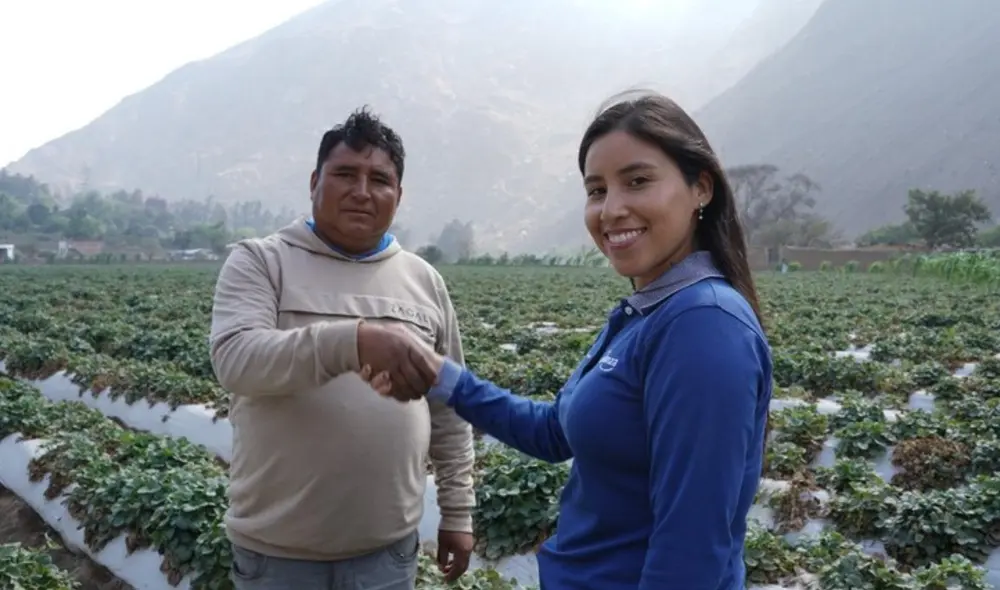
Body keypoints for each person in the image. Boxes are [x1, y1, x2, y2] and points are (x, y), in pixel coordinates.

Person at [374, 91, 772, 589]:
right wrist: (442, 375)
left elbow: (691, 551)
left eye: (638, 181)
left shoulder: (705, 327)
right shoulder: (645, 314)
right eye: (597, 190)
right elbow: (555, 432)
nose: (612, 209)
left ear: (701, 189)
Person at [209, 106, 476, 589]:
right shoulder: (262, 262)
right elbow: (237, 361)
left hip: (387, 554)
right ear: (315, 181)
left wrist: (458, 512)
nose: (362, 191)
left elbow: (450, 409)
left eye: (380, 179)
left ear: (398, 194)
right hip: (279, 557)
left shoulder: (424, 281)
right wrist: (353, 340)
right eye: (345, 174)